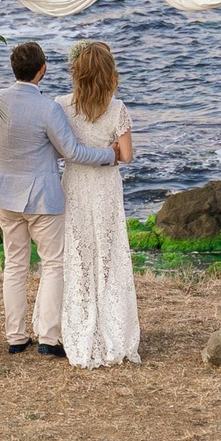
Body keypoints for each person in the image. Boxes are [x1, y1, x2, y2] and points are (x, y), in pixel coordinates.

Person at [0, 40, 117, 358]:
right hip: (41, 199)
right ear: (43, 70)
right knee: (53, 264)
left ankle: (16, 337)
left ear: (14, 69)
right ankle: (48, 339)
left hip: (3, 196)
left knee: (15, 264)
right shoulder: (48, 108)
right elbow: (72, 152)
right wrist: (109, 154)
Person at [56, 40, 140, 368]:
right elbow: (128, 156)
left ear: (77, 73)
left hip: (74, 184)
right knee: (108, 252)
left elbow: (58, 148)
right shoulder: (117, 109)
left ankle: (77, 321)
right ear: (110, 74)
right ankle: (112, 325)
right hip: (105, 186)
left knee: (78, 253)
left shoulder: (62, 106)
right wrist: (112, 150)